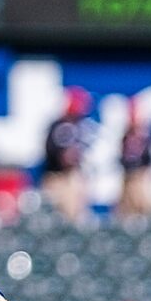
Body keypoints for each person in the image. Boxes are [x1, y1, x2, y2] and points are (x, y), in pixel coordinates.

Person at [41, 85, 94, 224]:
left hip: (73, 176)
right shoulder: (60, 126)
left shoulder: (81, 127)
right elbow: (56, 153)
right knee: (58, 218)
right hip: (58, 177)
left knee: (77, 215)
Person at [114, 100, 151, 226]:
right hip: (127, 176)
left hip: (140, 176)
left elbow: (149, 158)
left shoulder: (145, 136)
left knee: (142, 206)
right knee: (125, 209)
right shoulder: (126, 135)